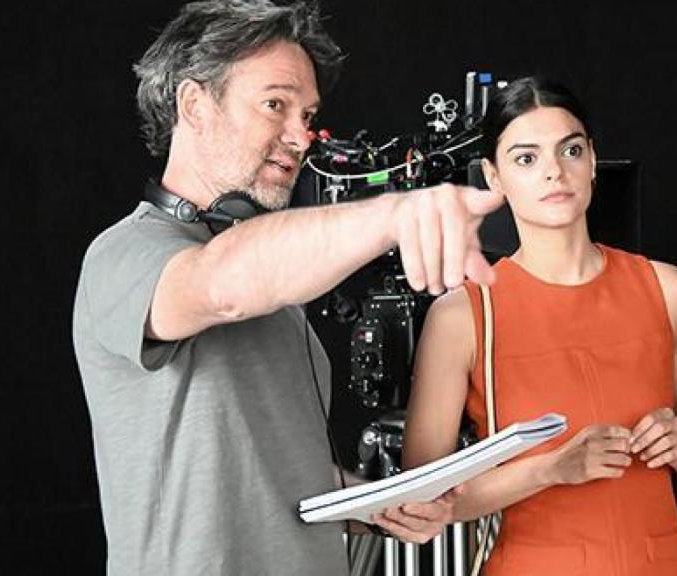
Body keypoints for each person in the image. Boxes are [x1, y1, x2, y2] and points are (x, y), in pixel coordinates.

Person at [72, 1, 505, 574]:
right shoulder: (124, 254)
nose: (301, 137)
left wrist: (369, 504)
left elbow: (273, 469)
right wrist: (395, 216)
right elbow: (220, 284)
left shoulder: (278, 294)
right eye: (275, 104)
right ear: (194, 104)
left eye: (308, 114)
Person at [402, 76, 677, 575]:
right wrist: (552, 468)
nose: (553, 173)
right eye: (526, 158)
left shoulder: (668, 290)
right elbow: (425, 496)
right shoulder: (465, 315)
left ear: (591, 160)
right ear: (493, 177)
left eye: (570, 150)